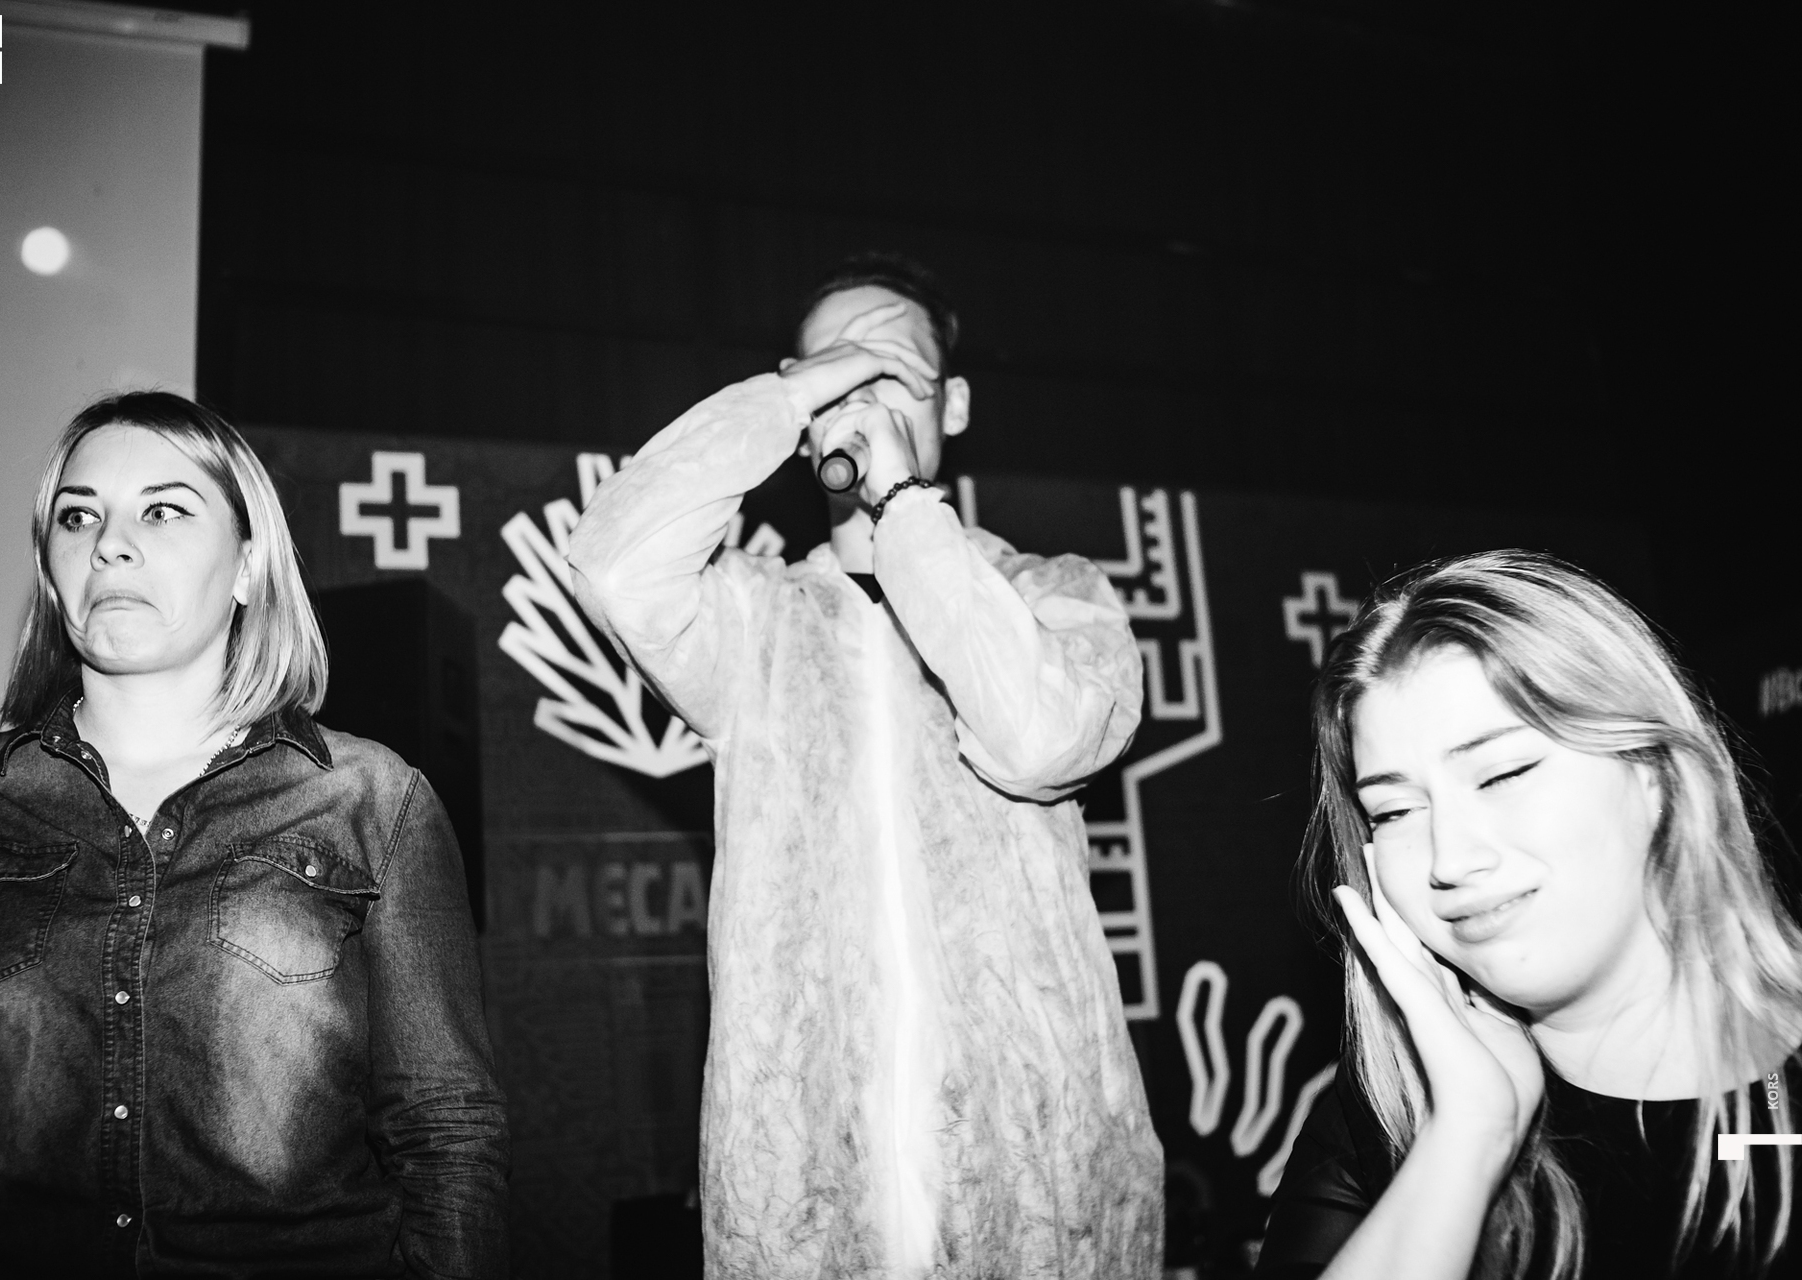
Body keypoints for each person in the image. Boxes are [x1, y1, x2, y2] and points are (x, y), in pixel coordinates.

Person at [567, 252, 1165, 1278]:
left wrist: (905, 511)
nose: (862, 394)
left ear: (955, 405)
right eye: (838, 370)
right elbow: (616, 565)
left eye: (892, 366)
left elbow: (1039, 738)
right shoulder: (755, 618)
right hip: (811, 1204)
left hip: (1041, 1198)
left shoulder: (1057, 593)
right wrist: (793, 392)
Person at [0, 392, 509, 1277]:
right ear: (51, 566)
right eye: (78, 516)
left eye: (164, 510)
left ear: (248, 565)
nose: (109, 543)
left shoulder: (373, 799)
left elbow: (446, 1131)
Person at [1256, 550, 1802, 1280]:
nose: (1451, 857)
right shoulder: (1382, 1117)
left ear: (1652, 774)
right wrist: (1469, 1136)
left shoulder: (1780, 1092)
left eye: (1503, 773)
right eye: (1394, 810)